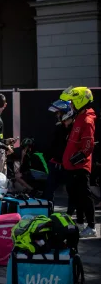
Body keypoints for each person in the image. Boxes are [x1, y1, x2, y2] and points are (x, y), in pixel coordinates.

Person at [60, 87, 97, 238]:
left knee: (85, 196)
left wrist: (75, 159)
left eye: (73, 102)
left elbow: (88, 146)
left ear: (80, 101)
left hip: (80, 167)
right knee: (75, 196)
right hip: (72, 167)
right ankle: (80, 223)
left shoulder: (87, 120)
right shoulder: (79, 118)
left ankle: (92, 227)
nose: (71, 105)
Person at [45, 100, 73, 206]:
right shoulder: (58, 127)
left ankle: (71, 214)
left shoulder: (74, 128)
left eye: (59, 113)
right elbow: (53, 144)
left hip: (69, 164)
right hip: (56, 163)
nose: (57, 115)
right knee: (49, 190)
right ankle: (47, 211)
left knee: (72, 190)